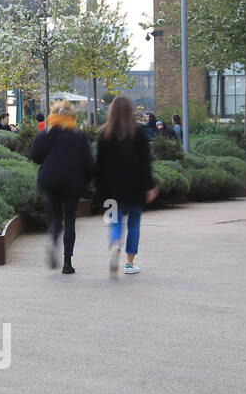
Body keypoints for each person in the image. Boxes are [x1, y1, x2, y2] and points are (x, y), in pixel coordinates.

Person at [29, 100, 95, 275]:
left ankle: (52, 240)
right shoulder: (79, 137)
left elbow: (35, 157)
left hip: (50, 181)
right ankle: (67, 263)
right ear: (72, 118)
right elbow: (89, 164)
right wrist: (87, 182)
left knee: (56, 218)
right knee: (70, 220)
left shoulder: (45, 135)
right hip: (73, 183)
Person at [96, 95, 158, 276]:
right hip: (135, 187)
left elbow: (99, 165)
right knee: (134, 224)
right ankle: (130, 264)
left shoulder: (103, 134)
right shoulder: (139, 133)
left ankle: (115, 244)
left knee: (114, 222)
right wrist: (151, 185)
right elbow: (146, 163)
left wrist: (99, 187)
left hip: (111, 189)